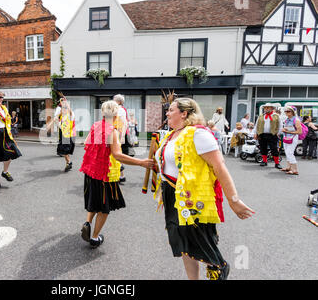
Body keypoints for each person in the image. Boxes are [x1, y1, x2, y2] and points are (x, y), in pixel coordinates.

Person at [154, 98, 255, 280]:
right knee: (184, 243)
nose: (167, 113)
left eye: (171, 110)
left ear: (184, 113)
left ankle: (219, 268)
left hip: (192, 199)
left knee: (201, 243)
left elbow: (219, 166)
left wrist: (234, 200)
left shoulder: (198, 134)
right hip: (172, 195)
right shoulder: (172, 134)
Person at [79, 100, 154, 249]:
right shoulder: (111, 131)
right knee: (104, 209)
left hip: (91, 171)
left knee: (94, 201)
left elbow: (87, 145)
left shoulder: (96, 126)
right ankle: (94, 238)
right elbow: (118, 155)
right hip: (104, 174)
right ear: (116, 115)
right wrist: (141, 162)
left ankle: (87, 223)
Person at [254, 103, 282, 169]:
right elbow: (256, 125)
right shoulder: (261, 116)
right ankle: (264, 161)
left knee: (274, 149)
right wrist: (255, 133)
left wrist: (278, 133)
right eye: (265, 108)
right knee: (263, 148)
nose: (266, 109)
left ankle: (277, 163)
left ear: (272, 108)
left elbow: (280, 126)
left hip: (272, 134)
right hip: (262, 134)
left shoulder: (276, 116)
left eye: (268, 107)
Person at [113, 94, 131, 182]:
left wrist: (122, 136)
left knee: (116, 154)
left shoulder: (120, 110)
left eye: (114, 99)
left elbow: (124, 123)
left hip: (118, 134)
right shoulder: (119, 109)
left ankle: (120, 175)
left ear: (119, 101)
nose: (113, 100)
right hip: (117, 133)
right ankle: (121, 176)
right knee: (116, 154)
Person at [55, 98, 75, 172]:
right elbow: (58, 123)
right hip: (64, 135)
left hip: (68, 135)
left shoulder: (70, 115)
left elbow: (70, 112)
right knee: (65, 151)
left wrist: (65, 103)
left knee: (65, 150)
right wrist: (57, 118)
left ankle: (69, 163)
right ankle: (68, 163)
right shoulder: (62, 117)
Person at [280, 106, 302, 175]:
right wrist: (284, 130)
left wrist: (289, 132)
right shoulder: (287, 120)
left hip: (293, 138)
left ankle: (294, 169)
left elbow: (299, 132)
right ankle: (288, 167)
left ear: (293, 112)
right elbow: (286, 128)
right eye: (285, 111)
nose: (286, 112)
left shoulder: (296, 120)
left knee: (290, 152)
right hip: (286, 138)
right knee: (287, 152)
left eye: (288, 111)